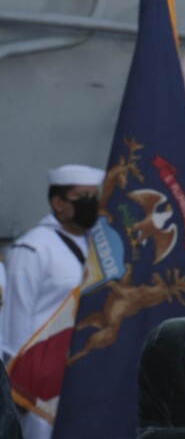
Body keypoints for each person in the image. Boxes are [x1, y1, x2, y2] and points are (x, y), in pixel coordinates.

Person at [2, 166, 102, 439]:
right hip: (41, 385)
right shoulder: (33, 248)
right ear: (59, 203)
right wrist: (19, 390)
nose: (91, 204)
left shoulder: (99, 245)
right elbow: (15, 328)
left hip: (84, 371)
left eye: (95, 196)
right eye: (82, 197)